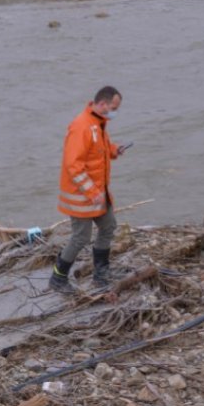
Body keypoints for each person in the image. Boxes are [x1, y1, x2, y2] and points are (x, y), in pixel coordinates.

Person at [49, 86, 125, 294]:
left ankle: (101, 274)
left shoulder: (97, 123)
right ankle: (58, 277)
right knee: (80, 237)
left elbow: (99, 148)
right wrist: (92, 192)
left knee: (109, 226)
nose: (114, 112)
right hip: (81, 197)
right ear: (102, 104)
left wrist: (114, 150)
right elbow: (73, 165)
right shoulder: (81, 126)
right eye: (113, 108)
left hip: (99, 193)